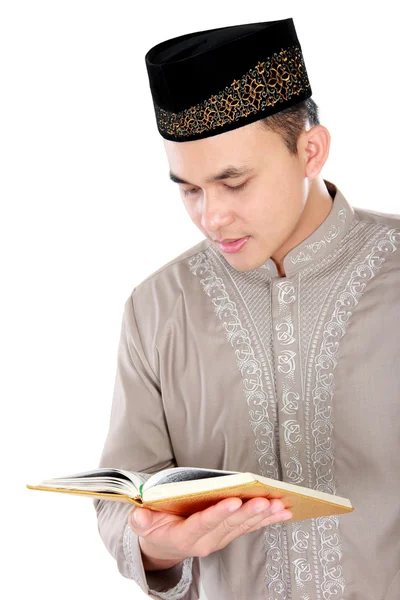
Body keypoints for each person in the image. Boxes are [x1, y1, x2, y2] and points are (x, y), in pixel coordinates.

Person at [93, 17, 400, 600]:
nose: (211, 217)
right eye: (189, 189)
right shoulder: (157, 308)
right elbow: (121, 505)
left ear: (310, 150)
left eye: (234, 183)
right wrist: (163, 544)